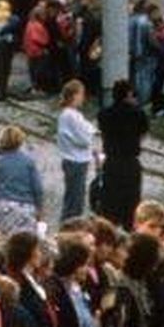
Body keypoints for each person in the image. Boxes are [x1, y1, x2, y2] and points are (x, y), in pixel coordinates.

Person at [97, 80, 149, 229]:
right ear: (128, 94)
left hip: (111, 163)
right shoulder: (138, 114)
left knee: (110, 204)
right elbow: (142, 134)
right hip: (130, 163)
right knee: (131, 204)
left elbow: (103, 132)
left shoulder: (104, 114)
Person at [0, 125, 44, 236]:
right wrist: (39, 209)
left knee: (3, 238)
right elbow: (38, 188)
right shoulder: (29, 161)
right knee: (25, 241)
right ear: (20, 142)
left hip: (5, 205)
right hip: (27, 207)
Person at [56, 80, 97, 223]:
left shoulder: (70, 114)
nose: (83, 98)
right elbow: (84, 138)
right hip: (76, 161)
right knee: (75, 199)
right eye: (81, 94)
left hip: (74, 160)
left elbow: (88, 128)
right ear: (74, 96)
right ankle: (70, 225)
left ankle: (69, 224)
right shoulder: (71, 116)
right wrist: (90, 134)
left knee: (73, 196)